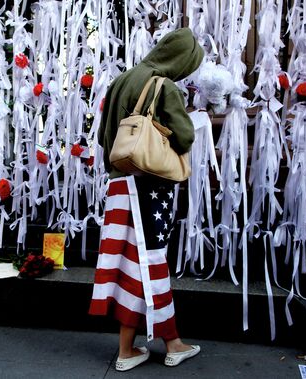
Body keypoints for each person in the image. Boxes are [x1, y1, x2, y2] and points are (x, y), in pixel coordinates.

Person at [89, 28, 204, 371]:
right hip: (149, 188)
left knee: (129, 262)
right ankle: (171, 344)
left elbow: (102, 138)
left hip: (120, 185)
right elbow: (183, 137)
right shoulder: (162, 85)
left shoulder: (122, 79)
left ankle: (132, 348)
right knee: (150, 262)